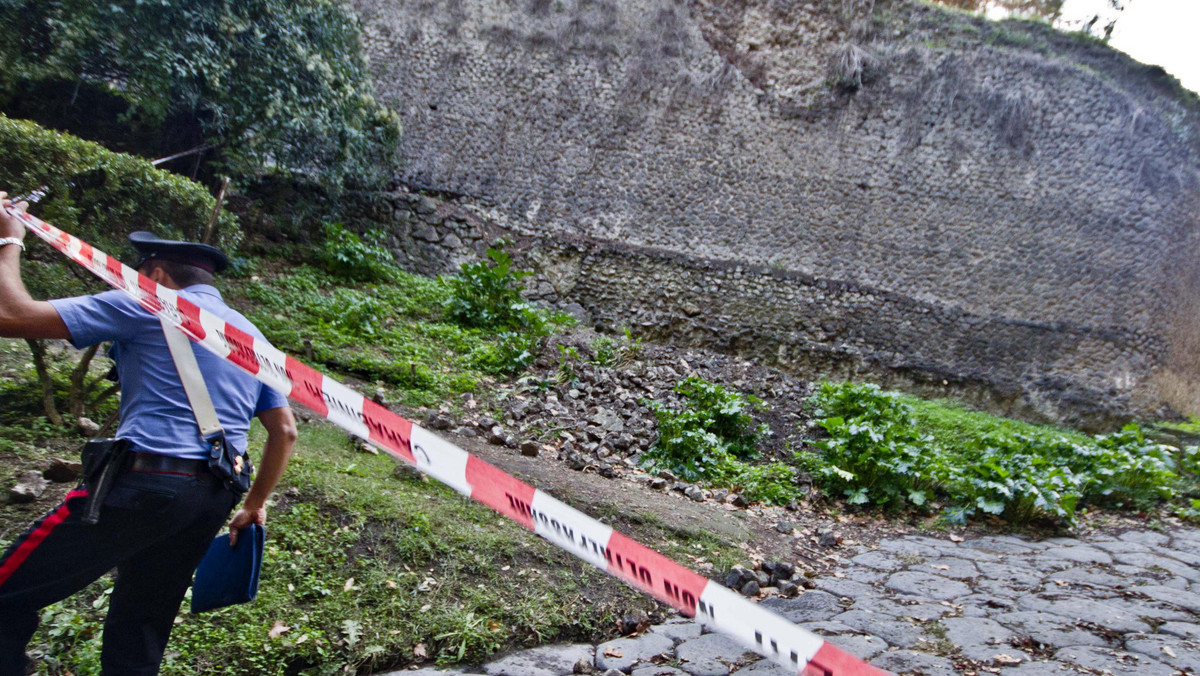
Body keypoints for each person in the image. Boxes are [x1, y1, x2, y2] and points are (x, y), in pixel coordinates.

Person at [0, 192, 298, 675]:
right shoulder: (251, 338)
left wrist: (8, 239)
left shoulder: (145, 303)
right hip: (213, 497)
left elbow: (11, 315)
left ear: (155, 274)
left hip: (146, 483)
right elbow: (284, 431)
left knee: (7, 590)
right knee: (141, 624)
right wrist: (254, 505)